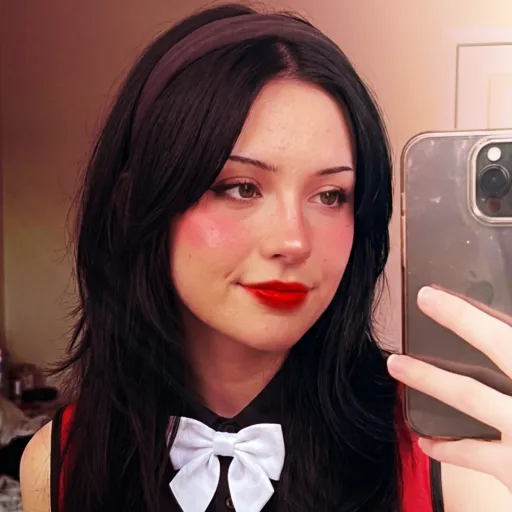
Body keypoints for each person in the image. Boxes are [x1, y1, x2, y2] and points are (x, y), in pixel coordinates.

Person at [19, 4, 512, 512]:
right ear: (141, 202)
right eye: (241, 187)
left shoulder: (452, 461)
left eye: (330, 196)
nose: (294, 241)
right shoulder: (59, 462)